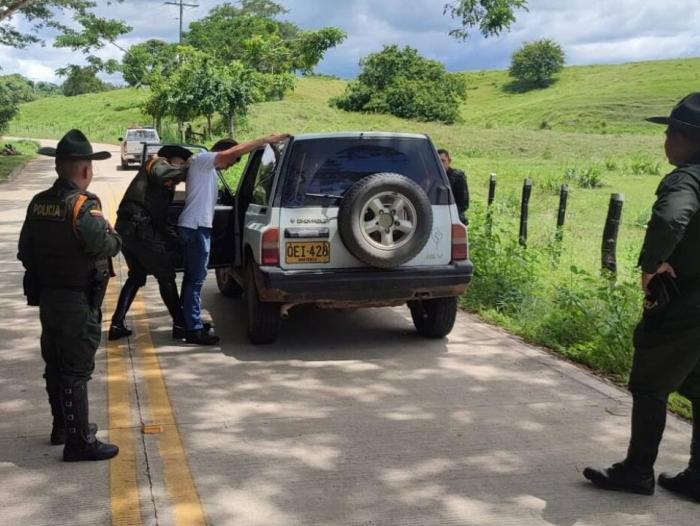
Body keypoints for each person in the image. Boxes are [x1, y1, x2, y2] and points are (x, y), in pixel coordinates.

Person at [584, 92, 700, 502]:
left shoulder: (687, 178)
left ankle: (637, 471)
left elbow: (671, 217)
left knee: (650, 384)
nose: (665, 140)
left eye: (669, 132)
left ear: (687, 137)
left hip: (687, 302)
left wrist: (652, 264)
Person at [17, 129, 121, 461]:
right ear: (86, 170)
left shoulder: (39, 203)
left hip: (49, 296)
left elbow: (25, 251)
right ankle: (79, 443)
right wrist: (114, 236)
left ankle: (62, 427)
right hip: (78, 300)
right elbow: (102, 245)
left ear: (58, 166)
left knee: (56, 362)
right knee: (76, 369)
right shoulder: (82, 204)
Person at [178, 133, 290, 345]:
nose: (228, 167)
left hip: (194, 226)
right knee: (195, 280)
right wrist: (266, 139)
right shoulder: (203, 160)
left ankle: (187, 322)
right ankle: (193, 329)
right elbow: (234, 152)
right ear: (222, 152)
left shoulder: (205, 166)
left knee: (192, 279)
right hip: (195, 228)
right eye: (230, 163)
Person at [109, 145, 197, 341]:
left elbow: (162, 221)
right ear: (173, 160)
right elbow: (162, 173)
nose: (180, 173)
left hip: (128, 229)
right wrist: (193, 166)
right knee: (165, 275)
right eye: (181, 164)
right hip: (138, 228)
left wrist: (178, 241)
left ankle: (116, 324)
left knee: (137, 276)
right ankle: (181, 324)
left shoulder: (165, 186)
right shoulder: (157, 163)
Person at [438, 149, 469, 224]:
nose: (440, 164)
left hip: (453, 215)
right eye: (438, 161)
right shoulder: (431, 177)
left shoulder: (458, 177)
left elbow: (464, 203)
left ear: (449, 161)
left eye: (443, 161)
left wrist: (447, 215)